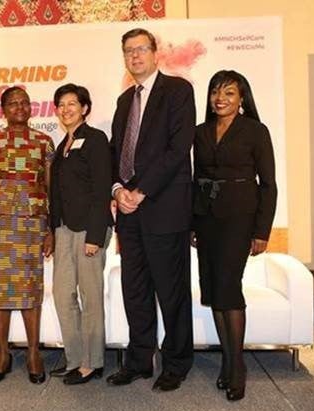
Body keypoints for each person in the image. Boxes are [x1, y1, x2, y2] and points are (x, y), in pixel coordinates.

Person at [106, 28, 195, 392]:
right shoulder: (124, 100)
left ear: (155, 53)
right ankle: (140, 359)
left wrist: (140, 191)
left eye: (141, 49)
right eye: (129, 51)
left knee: (171, 291)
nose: (135, 56)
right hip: (129, 213)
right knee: (136, 289)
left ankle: (176, 363)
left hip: (164, 208)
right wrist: (117, 190)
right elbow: (116, 152)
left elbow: (178, 150)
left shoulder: (178, 91)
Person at [191, 70, 277, 401]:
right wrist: (193, 223)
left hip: (240, 218)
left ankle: (237, 365)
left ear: (242, 98)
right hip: (206, 218)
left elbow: (268, 184)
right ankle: (228, 361)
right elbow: (196, 177)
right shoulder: (200, 132)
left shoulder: (255, 131)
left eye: (228, 93)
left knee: (228, 286)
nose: (220, 99)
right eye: (215, 92)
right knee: (213, 289)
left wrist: (261, 231)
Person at [0, 86, 54, 384]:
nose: (19, 107)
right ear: (3, 110)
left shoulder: (44, 142)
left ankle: (34, 353)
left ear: (31, 108)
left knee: (31, 291)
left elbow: (50, 189)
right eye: (12, 103)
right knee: (0, 291)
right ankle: (2, 353)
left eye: (24, 103)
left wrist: (50, 230)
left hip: (32, 227)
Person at [49, 83, 113, 385]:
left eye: (72, 103)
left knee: (90, 296)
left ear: (85, 108)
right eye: (61, 104)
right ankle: (74, 358)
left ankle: (92, 362)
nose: (66, 109)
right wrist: (52, 229)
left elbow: (102, 189)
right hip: (63, 228)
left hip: (90, 227)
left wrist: (95, 236)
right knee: (63, 295)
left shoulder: (96, 140)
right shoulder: (62, 145)